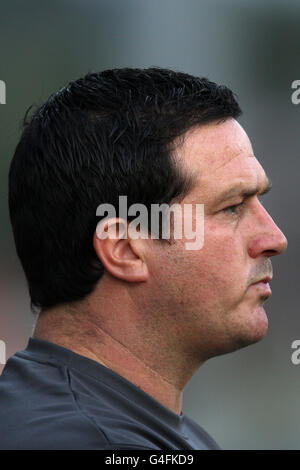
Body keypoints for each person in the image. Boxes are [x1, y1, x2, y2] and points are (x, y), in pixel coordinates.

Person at [0, 67, 287, 450]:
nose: (274, 239)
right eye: (232, 207)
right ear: (124, 250)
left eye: (258, 201)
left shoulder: (138, 427)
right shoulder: (82, 440)